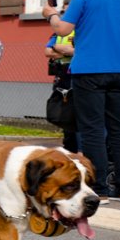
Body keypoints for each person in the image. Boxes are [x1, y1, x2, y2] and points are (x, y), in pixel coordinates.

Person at [43, 0, 120, 204]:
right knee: (118, 128)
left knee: (92, 129)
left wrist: (50, 14)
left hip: (91, 69)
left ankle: (99, 190)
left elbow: (63, 30)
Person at [45, 21, 76, 152]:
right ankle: (69, 146)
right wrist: (67, 52)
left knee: (77, 112)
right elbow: (48, 51)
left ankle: (79, 148)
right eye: (64, 10)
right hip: (62, 73)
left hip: (76, 73)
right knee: (65, 111)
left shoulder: (81, 29)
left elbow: (83, 52)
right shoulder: (58, 32)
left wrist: (58, 48)